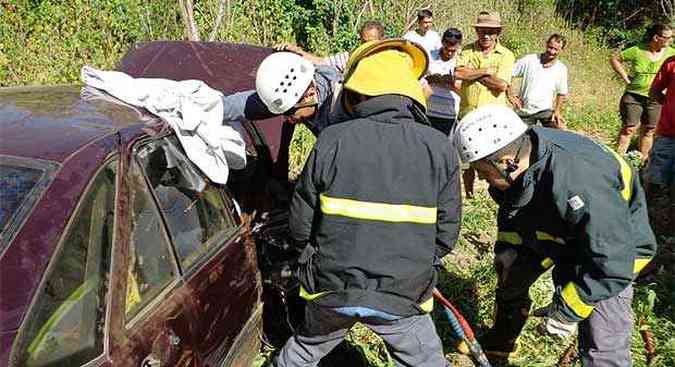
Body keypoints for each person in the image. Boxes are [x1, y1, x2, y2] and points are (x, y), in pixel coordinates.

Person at [273, 39, 461, 367]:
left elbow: (300, 223)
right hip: (403, 292)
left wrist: (311, 255)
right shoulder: (439, 147)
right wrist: (417, 263)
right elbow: (447, 233)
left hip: (332, 287)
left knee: (305, 349)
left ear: (357, 94)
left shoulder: (331, 140)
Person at [453, 105, 657, 366]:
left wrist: (567, 311)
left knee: (602, 339)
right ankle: (499, 344)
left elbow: (613, 263)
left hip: (614, 251)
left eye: (483, 172)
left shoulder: (579, 178)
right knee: (510, 273)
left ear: (505, 162)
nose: (482, 179)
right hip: (557, 222)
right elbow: (517, 206)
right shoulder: (522, 155)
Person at [454, 11, 515, 197]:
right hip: (467, 115)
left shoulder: (506, 55)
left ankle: (502, 192)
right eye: (482, 31)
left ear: (498, 33)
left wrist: (473, 73)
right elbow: (458, 73)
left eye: (490, 31)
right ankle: (470, 195)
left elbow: (501, 85)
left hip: (493, 118)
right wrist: (486, 71)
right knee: (468, 161)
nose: (486, 35)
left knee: (497, 159)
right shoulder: (467, 50)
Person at [221, 51, 345, 137]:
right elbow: (242, 105)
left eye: (290, 112)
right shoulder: (291, 94)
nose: (287, 119)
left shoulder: (341, 109)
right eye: (284, 112)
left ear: (310, 95)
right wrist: (213, 109)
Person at [610, 23, 674, 160]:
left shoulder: (671, 54)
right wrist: (626, 78)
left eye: (671, 37)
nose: (671, 40)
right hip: (634, 95)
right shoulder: (637, 50)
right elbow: (615, 58)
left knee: (649, 130)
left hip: (656, 98)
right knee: (629, 128)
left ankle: (643, 161)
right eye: (667, 37)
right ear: (657, 37)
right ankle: (617, 160)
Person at [275, 20, 385, 74]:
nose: (366, 46)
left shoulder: (390, 58)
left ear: (381, 40)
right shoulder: (352, 56)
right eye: (363, 42)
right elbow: (322, 62)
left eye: (371, 43)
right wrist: (296, 51)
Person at [508, 34, 569, 129]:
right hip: (525, 110)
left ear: (561, 50)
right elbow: (508, 73)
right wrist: (510, 95)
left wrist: (557, 111)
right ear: (546, 44)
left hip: (545, 111)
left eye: (556, 49)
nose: (552, 51)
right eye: (550, 47)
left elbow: (562, 93)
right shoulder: (529, 60)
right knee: (517, 136)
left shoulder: (561, 69)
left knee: (560, 128)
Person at [647, 54, 675, 237]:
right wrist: (669, 106)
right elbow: (655, 91)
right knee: (654, 178)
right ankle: (642, 216)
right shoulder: (671, 63)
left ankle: (670, 227)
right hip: (668, 133)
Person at [425, 28, 463, 135]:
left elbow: (464, 90)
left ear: (459, 46)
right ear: (442, 42)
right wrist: (431, 79)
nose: (449, 53)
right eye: (447, 49)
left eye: (453, 51)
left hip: (449, 116)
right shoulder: (429, 56)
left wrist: (450, 83)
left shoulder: (462, 61)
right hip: (427, 113)